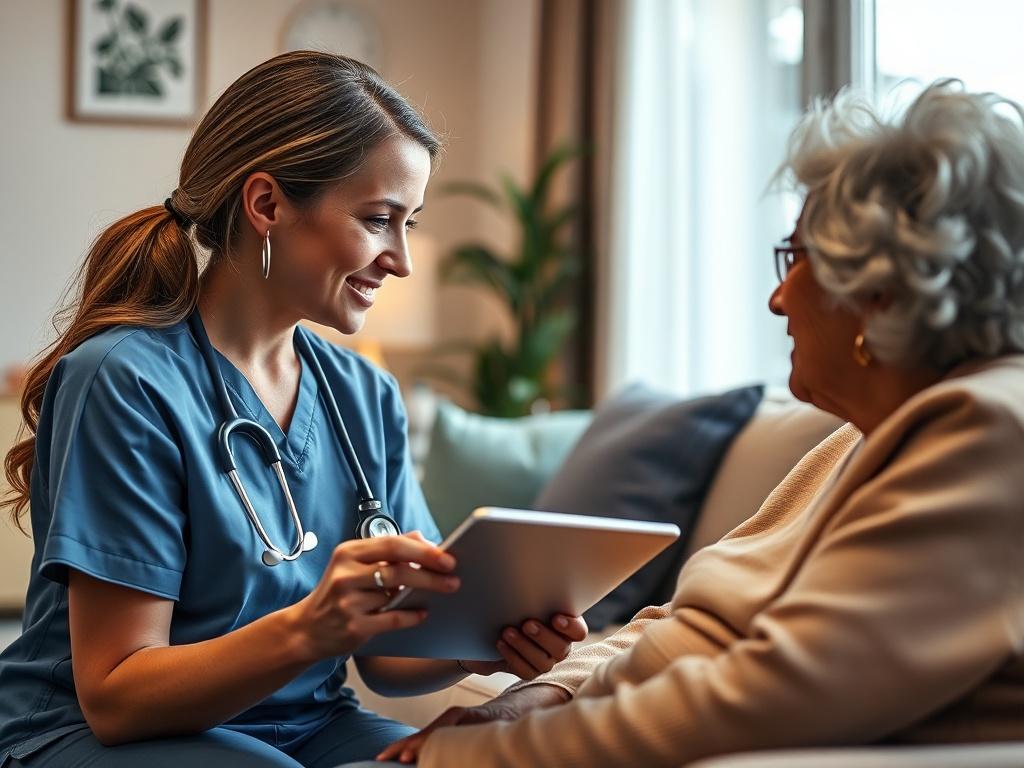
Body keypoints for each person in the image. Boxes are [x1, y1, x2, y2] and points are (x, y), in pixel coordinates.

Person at [377, 79, 1024, 767]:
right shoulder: (861, 436)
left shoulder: (986, 431)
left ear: (876, 288)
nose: (778, 299)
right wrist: (542, 696)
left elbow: (767, 695)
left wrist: (473, 757)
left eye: (794, 259)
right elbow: (694, 625)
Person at [0, 51, 585, 767]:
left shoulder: (362, 395)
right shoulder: (125, 380)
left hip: (309, 725)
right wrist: (310, 629)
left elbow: (390, 657)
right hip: (90, 735)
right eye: (378, 220)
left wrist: (488, 637)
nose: (400, 259)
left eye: (411, 225)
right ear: (267, 205)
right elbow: (117, 696)